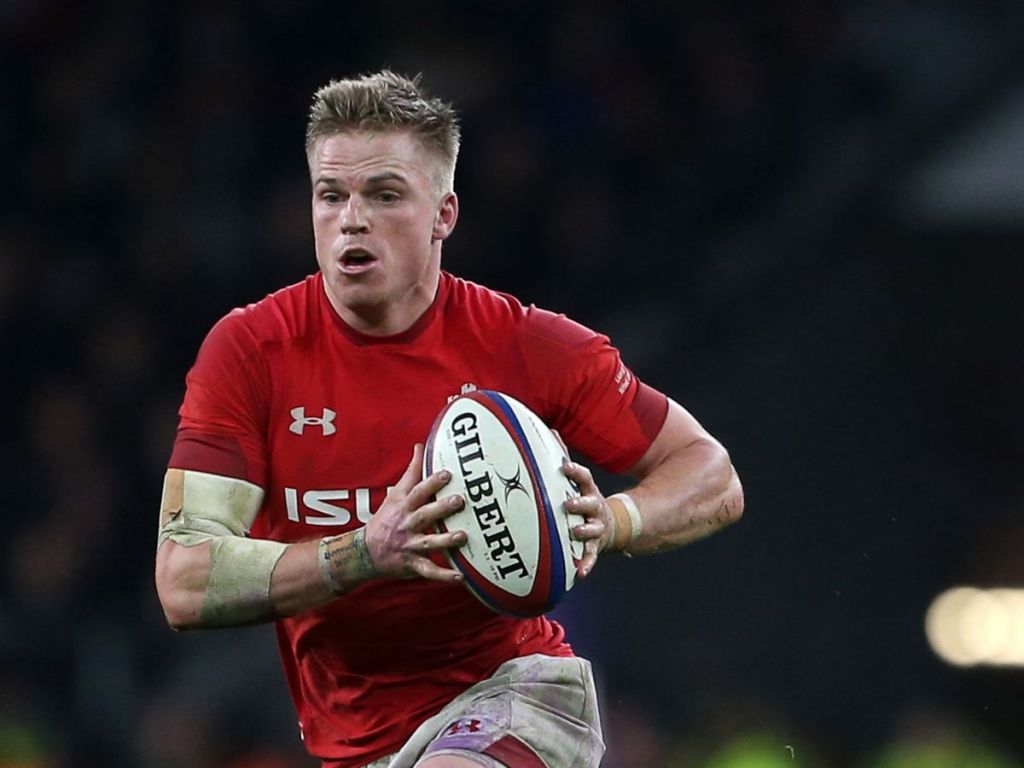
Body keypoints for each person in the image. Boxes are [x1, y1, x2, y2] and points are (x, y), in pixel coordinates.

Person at [155, 70, 744, 768]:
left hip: (515, 696)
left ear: (444, 215)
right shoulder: (251, 353)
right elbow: (184, 581)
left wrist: (611, 522)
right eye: (331, 195)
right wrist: (364, 552)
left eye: (385, 195)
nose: (352, 218)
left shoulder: (524, 345)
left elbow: (713, 476)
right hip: (355, 742)